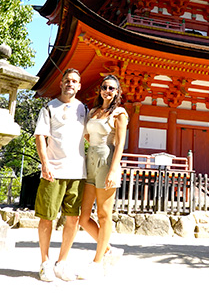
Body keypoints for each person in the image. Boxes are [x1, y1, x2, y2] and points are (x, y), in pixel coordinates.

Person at [34, 68, 87, 282]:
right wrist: (45, 164)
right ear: (61, 83)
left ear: (79, 86)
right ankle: (45, 262)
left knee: (73, 219)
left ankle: (61, 263)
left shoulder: (83, 109)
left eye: (74, 81)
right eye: (67, 80)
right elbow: (40, 137)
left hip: (77, 172)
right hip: (53, 171)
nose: (70, 84)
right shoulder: (49, 108)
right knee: (47, 217)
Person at [79, 74, 128, 278]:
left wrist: (114, 169)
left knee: (103, 214)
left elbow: (120, 143)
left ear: (117, 92)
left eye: (112, 88)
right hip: (90, 159)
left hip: (106, 161)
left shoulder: (119, 114)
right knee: (83, 218)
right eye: (105, 87)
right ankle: (109, 250)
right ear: (100, 90)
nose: (107, 90)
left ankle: (97, 262)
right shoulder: (93, 111)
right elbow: (88, 136)